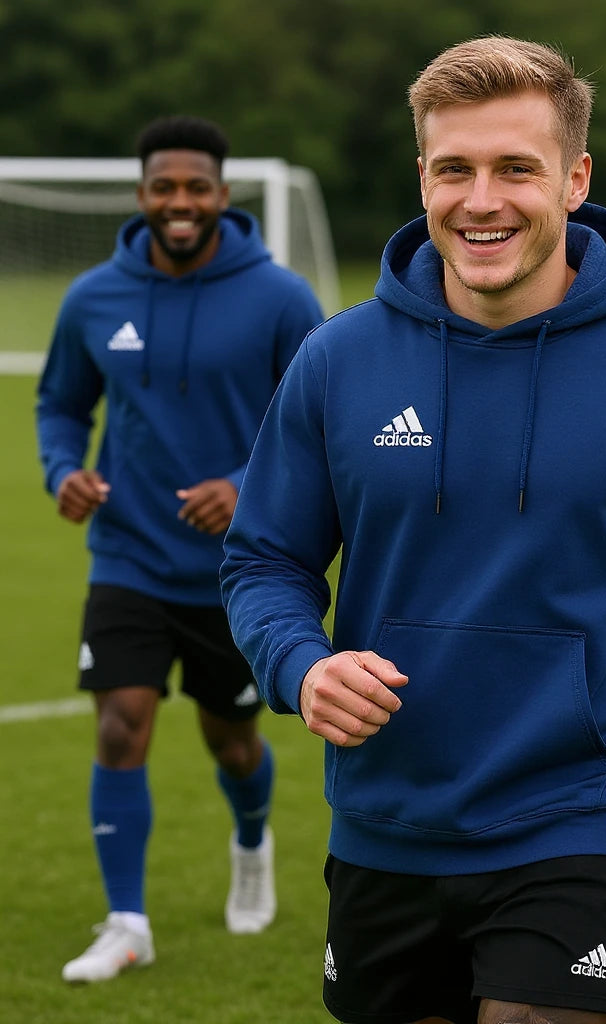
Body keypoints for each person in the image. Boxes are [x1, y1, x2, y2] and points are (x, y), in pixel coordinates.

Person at [221, 36, 606, 1024]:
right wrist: (300, 665)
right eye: (455, 169)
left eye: (515, 168)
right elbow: (265, 557)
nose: (480, 200)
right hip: (383, 824)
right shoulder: (334, 361)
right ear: (423, 178)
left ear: (574, 179)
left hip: (576, 820)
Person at [36, 115, 324, 984]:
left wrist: (244, 483)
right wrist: (63, 472)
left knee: (232, 741)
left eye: (197, 187)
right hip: (127, 556)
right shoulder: (93, 297)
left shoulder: (280, 299)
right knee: (121, 724)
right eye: (164, 187)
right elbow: (61, 406)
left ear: (223, 194)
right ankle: (127, 922)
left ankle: (250, 841)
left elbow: (312, 428)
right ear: (141, 196)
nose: (181, 203)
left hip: (239, 574)